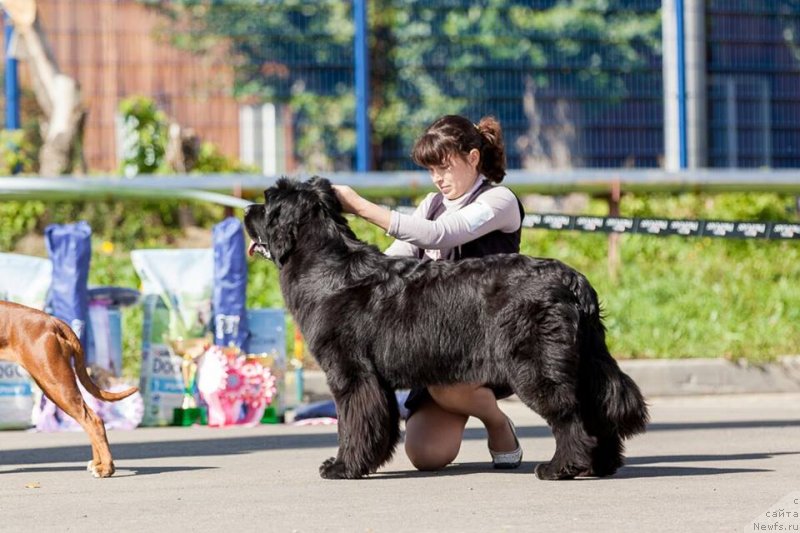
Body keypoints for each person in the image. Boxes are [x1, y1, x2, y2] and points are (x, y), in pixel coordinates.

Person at [332, 114, 525, 471]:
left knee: (446, 383)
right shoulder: (431, 203)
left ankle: (498, 423)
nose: (437, 178)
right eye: (430, 169)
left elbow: (439, 235)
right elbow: (391, 261)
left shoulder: (499, 200)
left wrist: (359, 206)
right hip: (439, 339)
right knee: (425, 454)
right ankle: (464, 402)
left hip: (487, 337)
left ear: (473, 158)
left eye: (444, 166)